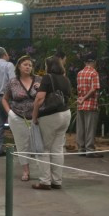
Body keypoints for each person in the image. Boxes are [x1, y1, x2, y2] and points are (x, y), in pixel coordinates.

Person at [32, 55, 73, 190]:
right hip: (65, 114)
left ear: (48, 66)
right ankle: (57, 180)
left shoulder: (47, 77)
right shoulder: (66, 79)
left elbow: (39, 99)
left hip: (50, 116)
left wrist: (34, 116)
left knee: (44, 148)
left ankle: (45, 181)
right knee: (57, 149)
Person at [1, 55, 39, 183]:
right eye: (25, 64)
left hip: (36, 118)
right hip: (18, 116)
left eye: (30, 65)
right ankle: (26, 171)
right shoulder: (13, 82)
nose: (28, 67)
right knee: (22, 144)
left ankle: (43, 170)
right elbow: (4, 99)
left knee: (38, 144)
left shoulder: (38, 79)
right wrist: (9, 112)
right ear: (19, 66)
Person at [75, 52, 102, 158]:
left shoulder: (79, 73)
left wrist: (81, 99)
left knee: (81, 127)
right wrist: (85, 98)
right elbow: (93, 89)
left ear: (85, 62)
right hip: (90, 104)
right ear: (93, 62)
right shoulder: (94, 73)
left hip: (80, 104)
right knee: (90, 128)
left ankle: (81, 148)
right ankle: (89, 150)